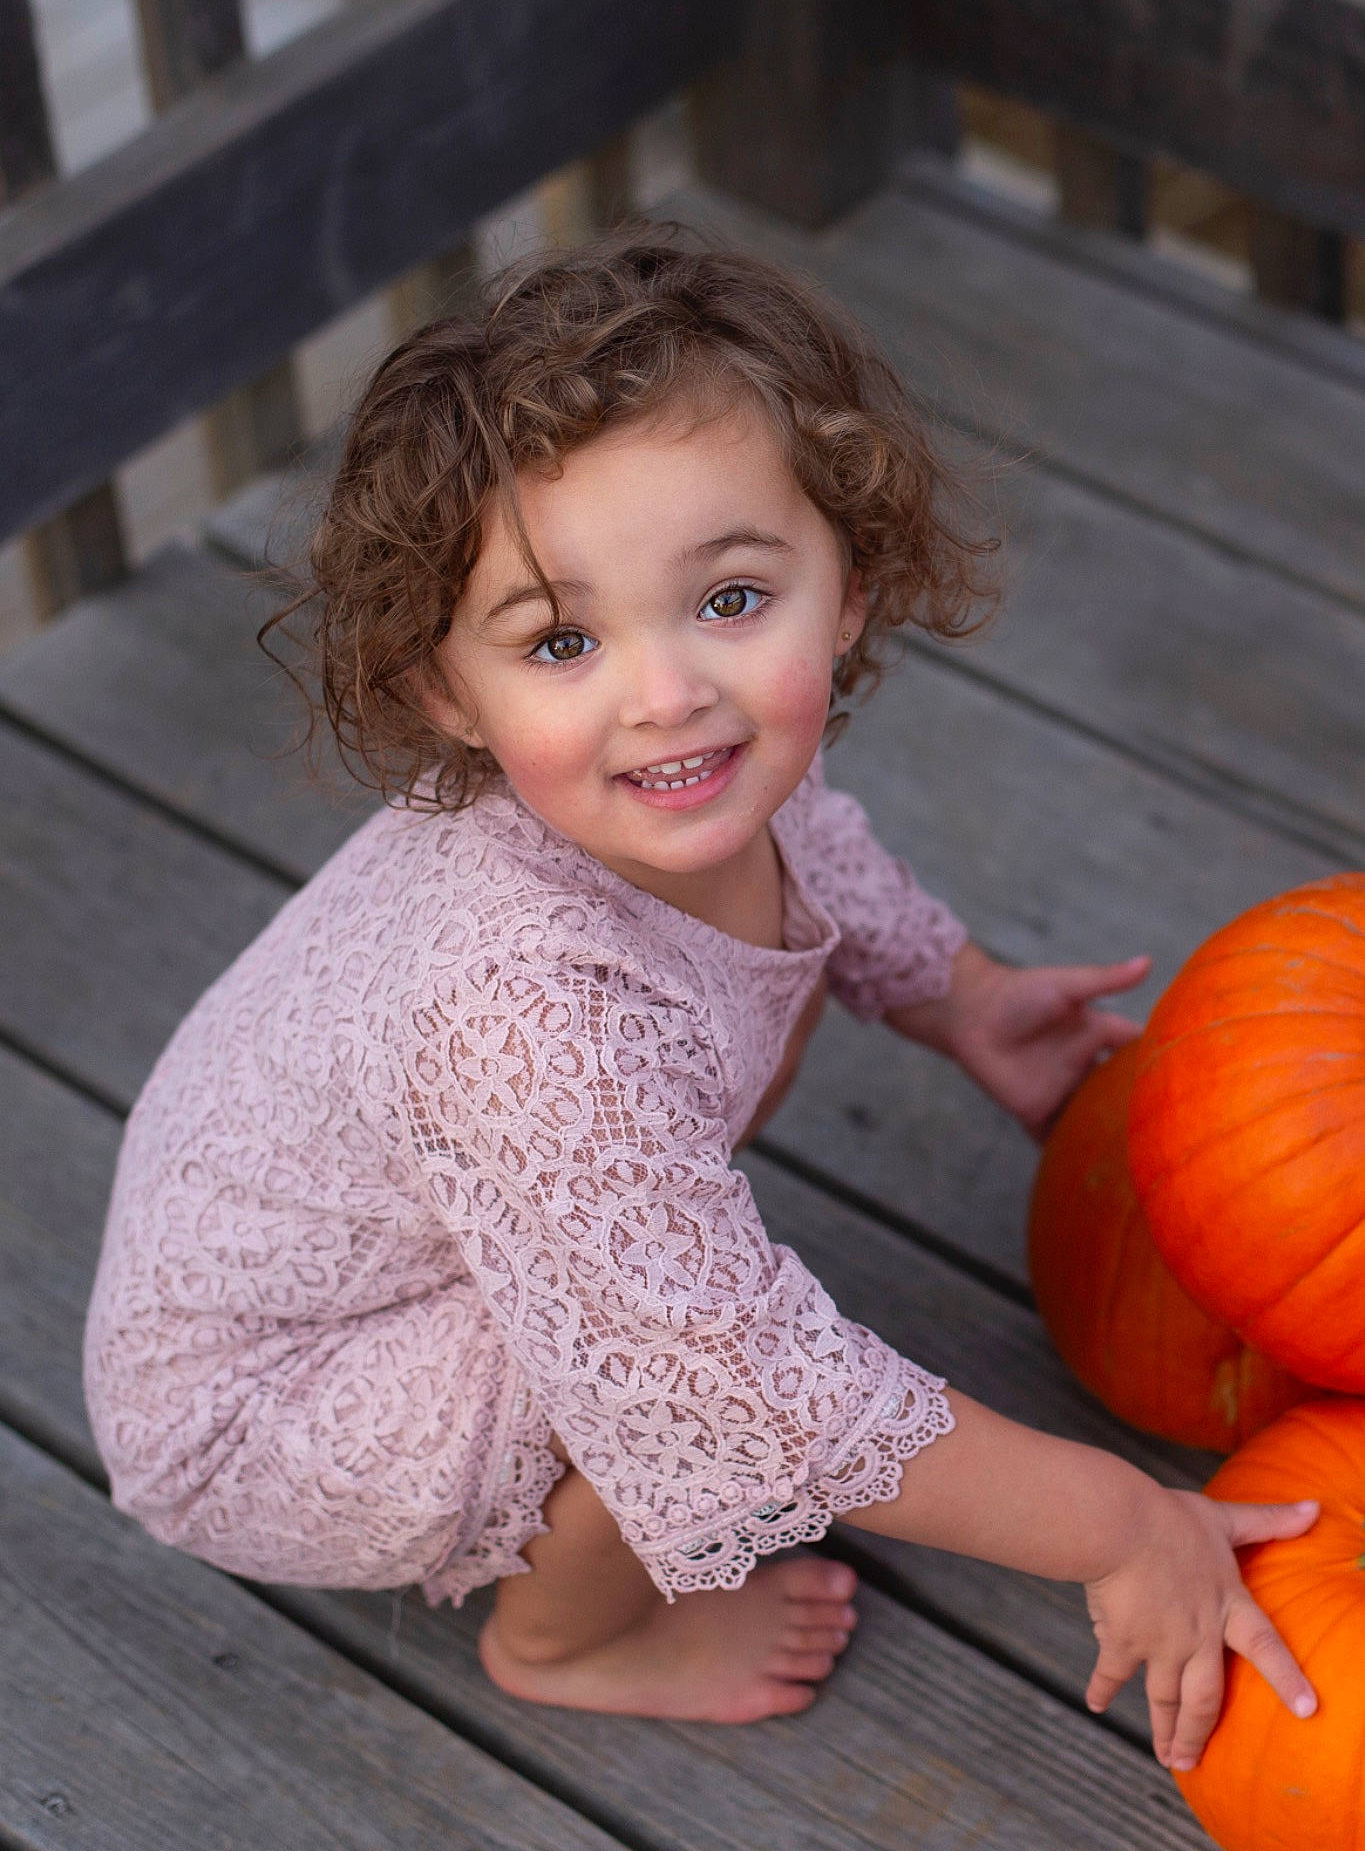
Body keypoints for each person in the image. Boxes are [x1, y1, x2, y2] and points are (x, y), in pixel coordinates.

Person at [84, 233, 1318, 1774]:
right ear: (449, 696)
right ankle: (567, 1639)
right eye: (562, 640)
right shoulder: (521, 1017)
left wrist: (955, 992)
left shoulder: (680, 786)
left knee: (649, 1247)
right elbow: (738, 1387)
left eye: (730, 598)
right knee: (657, 1349)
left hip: (484, 1197)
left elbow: (820, 850)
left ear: (845, 587)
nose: (666, 691)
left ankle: (637, 1267)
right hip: (274, 1404)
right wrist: (1117, 1524)